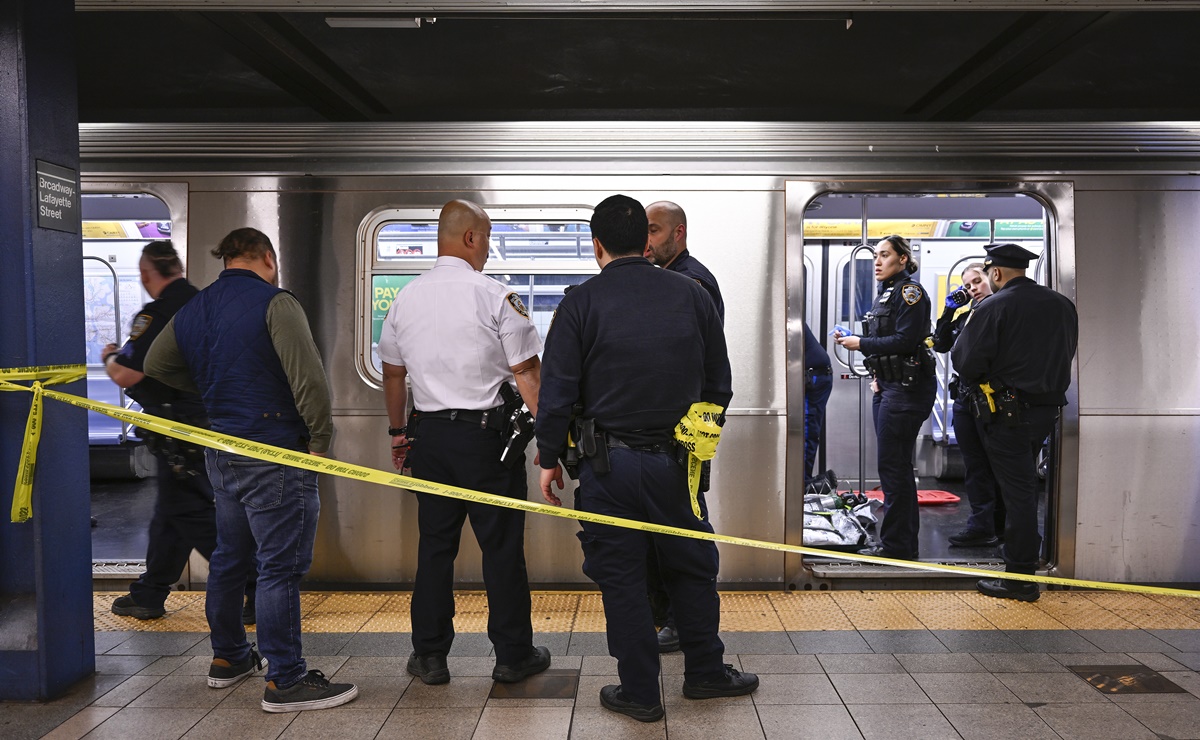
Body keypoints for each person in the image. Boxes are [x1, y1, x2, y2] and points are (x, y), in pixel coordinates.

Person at [536, 194, 757, 723]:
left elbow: (557, 390)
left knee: (623, 575)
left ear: (597, 245)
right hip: (679, 465)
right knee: (690, 567)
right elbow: (719, 384)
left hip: (607, 466)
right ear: (646, 239)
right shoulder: (693, 295)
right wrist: (695, 442)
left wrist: (549, 457)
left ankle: (640, 692)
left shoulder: (579, 303)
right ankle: (704, 672)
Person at [144, 227, 357, 712]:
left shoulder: (194, 307)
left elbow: (157, 364)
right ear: (267, 257)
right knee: (279, 568)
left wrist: (216, 390)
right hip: (276, 451)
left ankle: (230, 658)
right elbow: (309, 380)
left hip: (222, 450)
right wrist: (320, 444)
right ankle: (286, 679)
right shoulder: (276, 303)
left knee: (229, 558)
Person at [377, 199, 550, 687]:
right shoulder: (494, 296)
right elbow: (528, 374)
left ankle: (430, 656)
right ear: (471, 238)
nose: (489, 248)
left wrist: (398, 435)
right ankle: (513, 655)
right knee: (500, 548)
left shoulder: (405, 299)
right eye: (489, 236)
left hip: (429, 437)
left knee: (434, 548)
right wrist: (554, 445)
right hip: (486, 441)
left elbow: (394, 374)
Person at [102, 241, 255, 623]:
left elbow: (126, 373)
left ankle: (254, 585)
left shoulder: (157, 314)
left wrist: (108, 357)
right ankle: (150, 591)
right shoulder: (208, 303)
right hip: (210, 419)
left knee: (190, 511)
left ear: (146, 274)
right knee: (174, 509)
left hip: (176, 429)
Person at [952, 243, 1078, 602]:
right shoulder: (1062, 304)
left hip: (1007, 414)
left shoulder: (994, 306)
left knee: (1018, 491)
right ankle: (1023, 562)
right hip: (1045, 411)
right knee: (1023, 486)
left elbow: (966, 361)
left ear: (995, 272)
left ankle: (1020, 577)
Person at [641, 200, 725, 654]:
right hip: (668, 432)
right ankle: (665, 615)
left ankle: (684, 622)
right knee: (659, 529)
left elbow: (688, 361)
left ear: (680, 232)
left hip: (684, 431)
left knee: (684, 528)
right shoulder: (663, 277)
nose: (647, 239)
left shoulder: (691, 282)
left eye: (654, 230)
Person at [835, 235, 935, 560]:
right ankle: (899, 544)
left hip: (906, 392)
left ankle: (898, 548)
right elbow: (887, 339)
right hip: (890, 387)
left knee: (894, 470)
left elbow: (906, 341)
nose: (877, 261)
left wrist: (860, 344)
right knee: (894, 468)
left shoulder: (910, 293)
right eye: (876, 255)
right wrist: (875, 369)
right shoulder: (886, 294)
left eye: (885, 255)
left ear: (903, 259)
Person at [932, 263, 1005, 548]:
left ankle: (1000, 525)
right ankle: (981, 525)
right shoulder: (966, 317)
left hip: (991, 400)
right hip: (965, 399)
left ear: (992, 279)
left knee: (996, 464)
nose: (973, 288)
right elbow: (940, 344)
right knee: (975, 465)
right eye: (968, 285)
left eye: (978, 281)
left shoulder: (999, 311)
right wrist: (949, 311)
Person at [802, 321, 833, 485]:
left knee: (806, 432)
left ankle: (803, 484)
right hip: (813, 375)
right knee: (806, 431)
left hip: (814, 378)